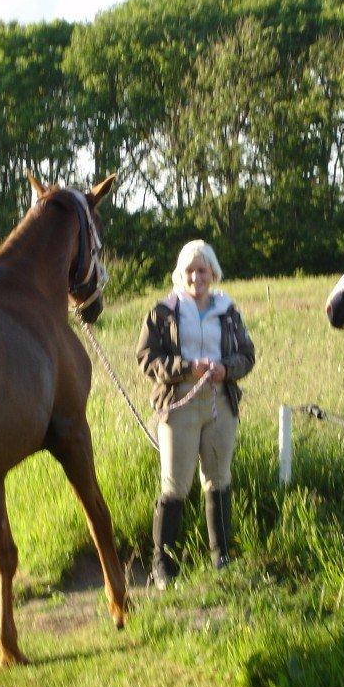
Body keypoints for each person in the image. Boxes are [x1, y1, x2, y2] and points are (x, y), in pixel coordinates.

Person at [136, 240, 255, 590]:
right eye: (189, 270)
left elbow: (247, 355)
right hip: (179, 404)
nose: (196, 276)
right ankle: (163, 564)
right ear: (180, 273)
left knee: (218, 479)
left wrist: (226, 369)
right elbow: (146, 357)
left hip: (220, 403)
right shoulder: (163, 311)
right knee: (174, 483)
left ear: (213, 272)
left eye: (202, 270)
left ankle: (221, 557)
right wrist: (186, 368)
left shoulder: (229, 311)